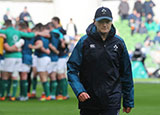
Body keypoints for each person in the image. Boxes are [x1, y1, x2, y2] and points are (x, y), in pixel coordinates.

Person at [67, 7, 134, 115]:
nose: (104, 25)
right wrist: (79, 90)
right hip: (88, 99)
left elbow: (126, 73)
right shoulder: (84, 42)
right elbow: (72, 68)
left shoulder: (119, 43)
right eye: (101, 21)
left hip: (112, 100)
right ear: (94, 22)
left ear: (112, 22)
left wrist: (128, 100)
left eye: (107, 21)